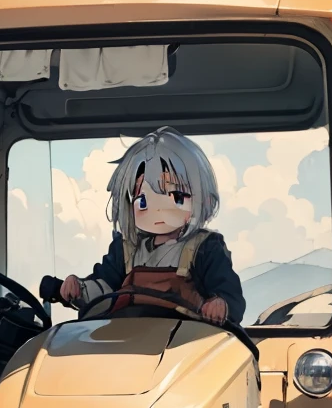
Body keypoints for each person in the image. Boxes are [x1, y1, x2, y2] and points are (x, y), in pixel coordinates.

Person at [60, 128, 245, 326]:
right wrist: (80, 288)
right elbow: (104, 287)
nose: (157, 211)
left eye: (175, 197)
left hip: (184, 340)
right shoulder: (126, 250)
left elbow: (228, 292)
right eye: (142, 201)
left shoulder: (205, 249)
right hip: (126, 336)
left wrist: (220, 304)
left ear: (201, 199)